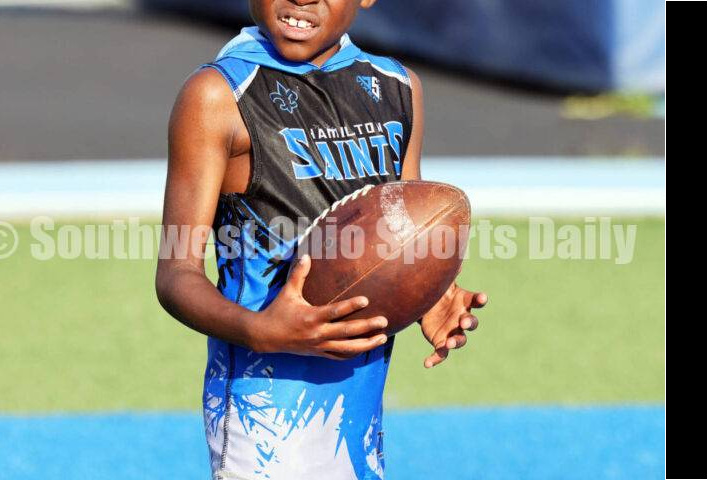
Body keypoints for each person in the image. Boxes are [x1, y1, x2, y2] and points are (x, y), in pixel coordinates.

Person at [156, 1, 487, 478]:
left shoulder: (398, 87)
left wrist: (428, 295)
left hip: (356, 415)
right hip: (265, 416)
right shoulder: (217, 95)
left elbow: (405, 241)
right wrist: (261, 331)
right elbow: (175, 275)